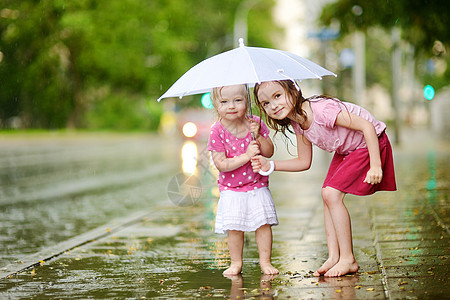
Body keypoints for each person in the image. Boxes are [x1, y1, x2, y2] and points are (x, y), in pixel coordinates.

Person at [251, 80, 396, 277]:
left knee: (331, 193)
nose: (273, 105)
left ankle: (348, 259)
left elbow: (367, 126)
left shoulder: (321, 111)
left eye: (277, 96)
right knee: (326, 193)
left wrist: (376, 165)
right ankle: (334, 256)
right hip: (347, 149)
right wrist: (271, 165)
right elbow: (304, 161)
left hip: (369, 143)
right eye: (266, 103)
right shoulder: (298, 123)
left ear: (294, 90)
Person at [207, 84, 279, 275]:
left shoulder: (254, 122)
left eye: (237, 100)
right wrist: (246, 156)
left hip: (257, 184)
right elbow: (221, 163)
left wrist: (259, 136)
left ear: (247, 102)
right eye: (224, 102)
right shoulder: (217, 131)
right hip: (231, 188)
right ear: (216, 105)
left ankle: (265, 261)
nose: (231, 106)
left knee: (263, 224)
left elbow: (269, 151)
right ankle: (236, 262)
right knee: (235, 227)